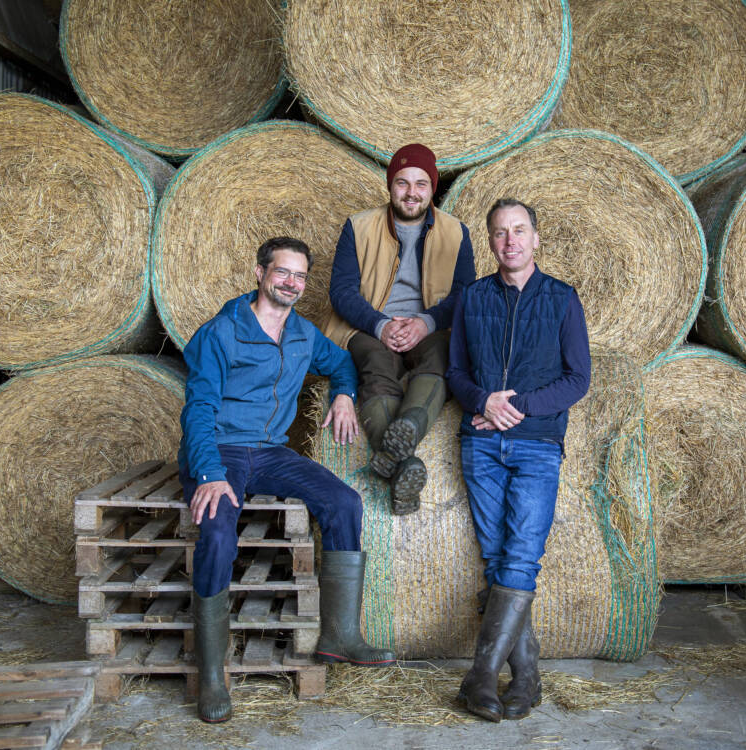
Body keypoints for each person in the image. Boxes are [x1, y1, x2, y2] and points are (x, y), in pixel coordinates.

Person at [179, 237, 394, 724]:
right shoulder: (222, 332)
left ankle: (340, 635)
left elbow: (340, 363)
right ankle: (212, 672)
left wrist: (343, 394)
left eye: (299, 276)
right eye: (282, 273)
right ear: (259, 273)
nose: (291, 283)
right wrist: (209, 472)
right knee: (215, 529)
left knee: (344, 502)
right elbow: (198, 408)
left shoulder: (302, 334)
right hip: (220, 449)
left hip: (271, 453)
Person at [446, 199, 591, 722]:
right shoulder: (473, 297)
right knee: (497, 558)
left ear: (536, 239)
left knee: (521, 556)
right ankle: (526, 676)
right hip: (480, 442)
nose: (511, 241)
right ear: (491, 242)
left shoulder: (561, 298)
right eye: (501, 232)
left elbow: (578, 379)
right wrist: (481, 401)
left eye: (520, 230)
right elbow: (455, 371)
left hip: (537, 445)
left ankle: (482, 675)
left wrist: (516, 407)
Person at [326, 143, 476, 514]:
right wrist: (379, 325)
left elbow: (464, 294)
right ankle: (404, 464)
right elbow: (341, 291)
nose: (412, 192)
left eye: (421, 184)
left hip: (429, 328)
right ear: (390, 185)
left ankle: (403, 435)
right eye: (403, 183)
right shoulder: (358, 226)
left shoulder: (456, 233)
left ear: (432, 188)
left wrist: (425, 323)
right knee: (376, 366)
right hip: (369, 325)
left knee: (443, 355)